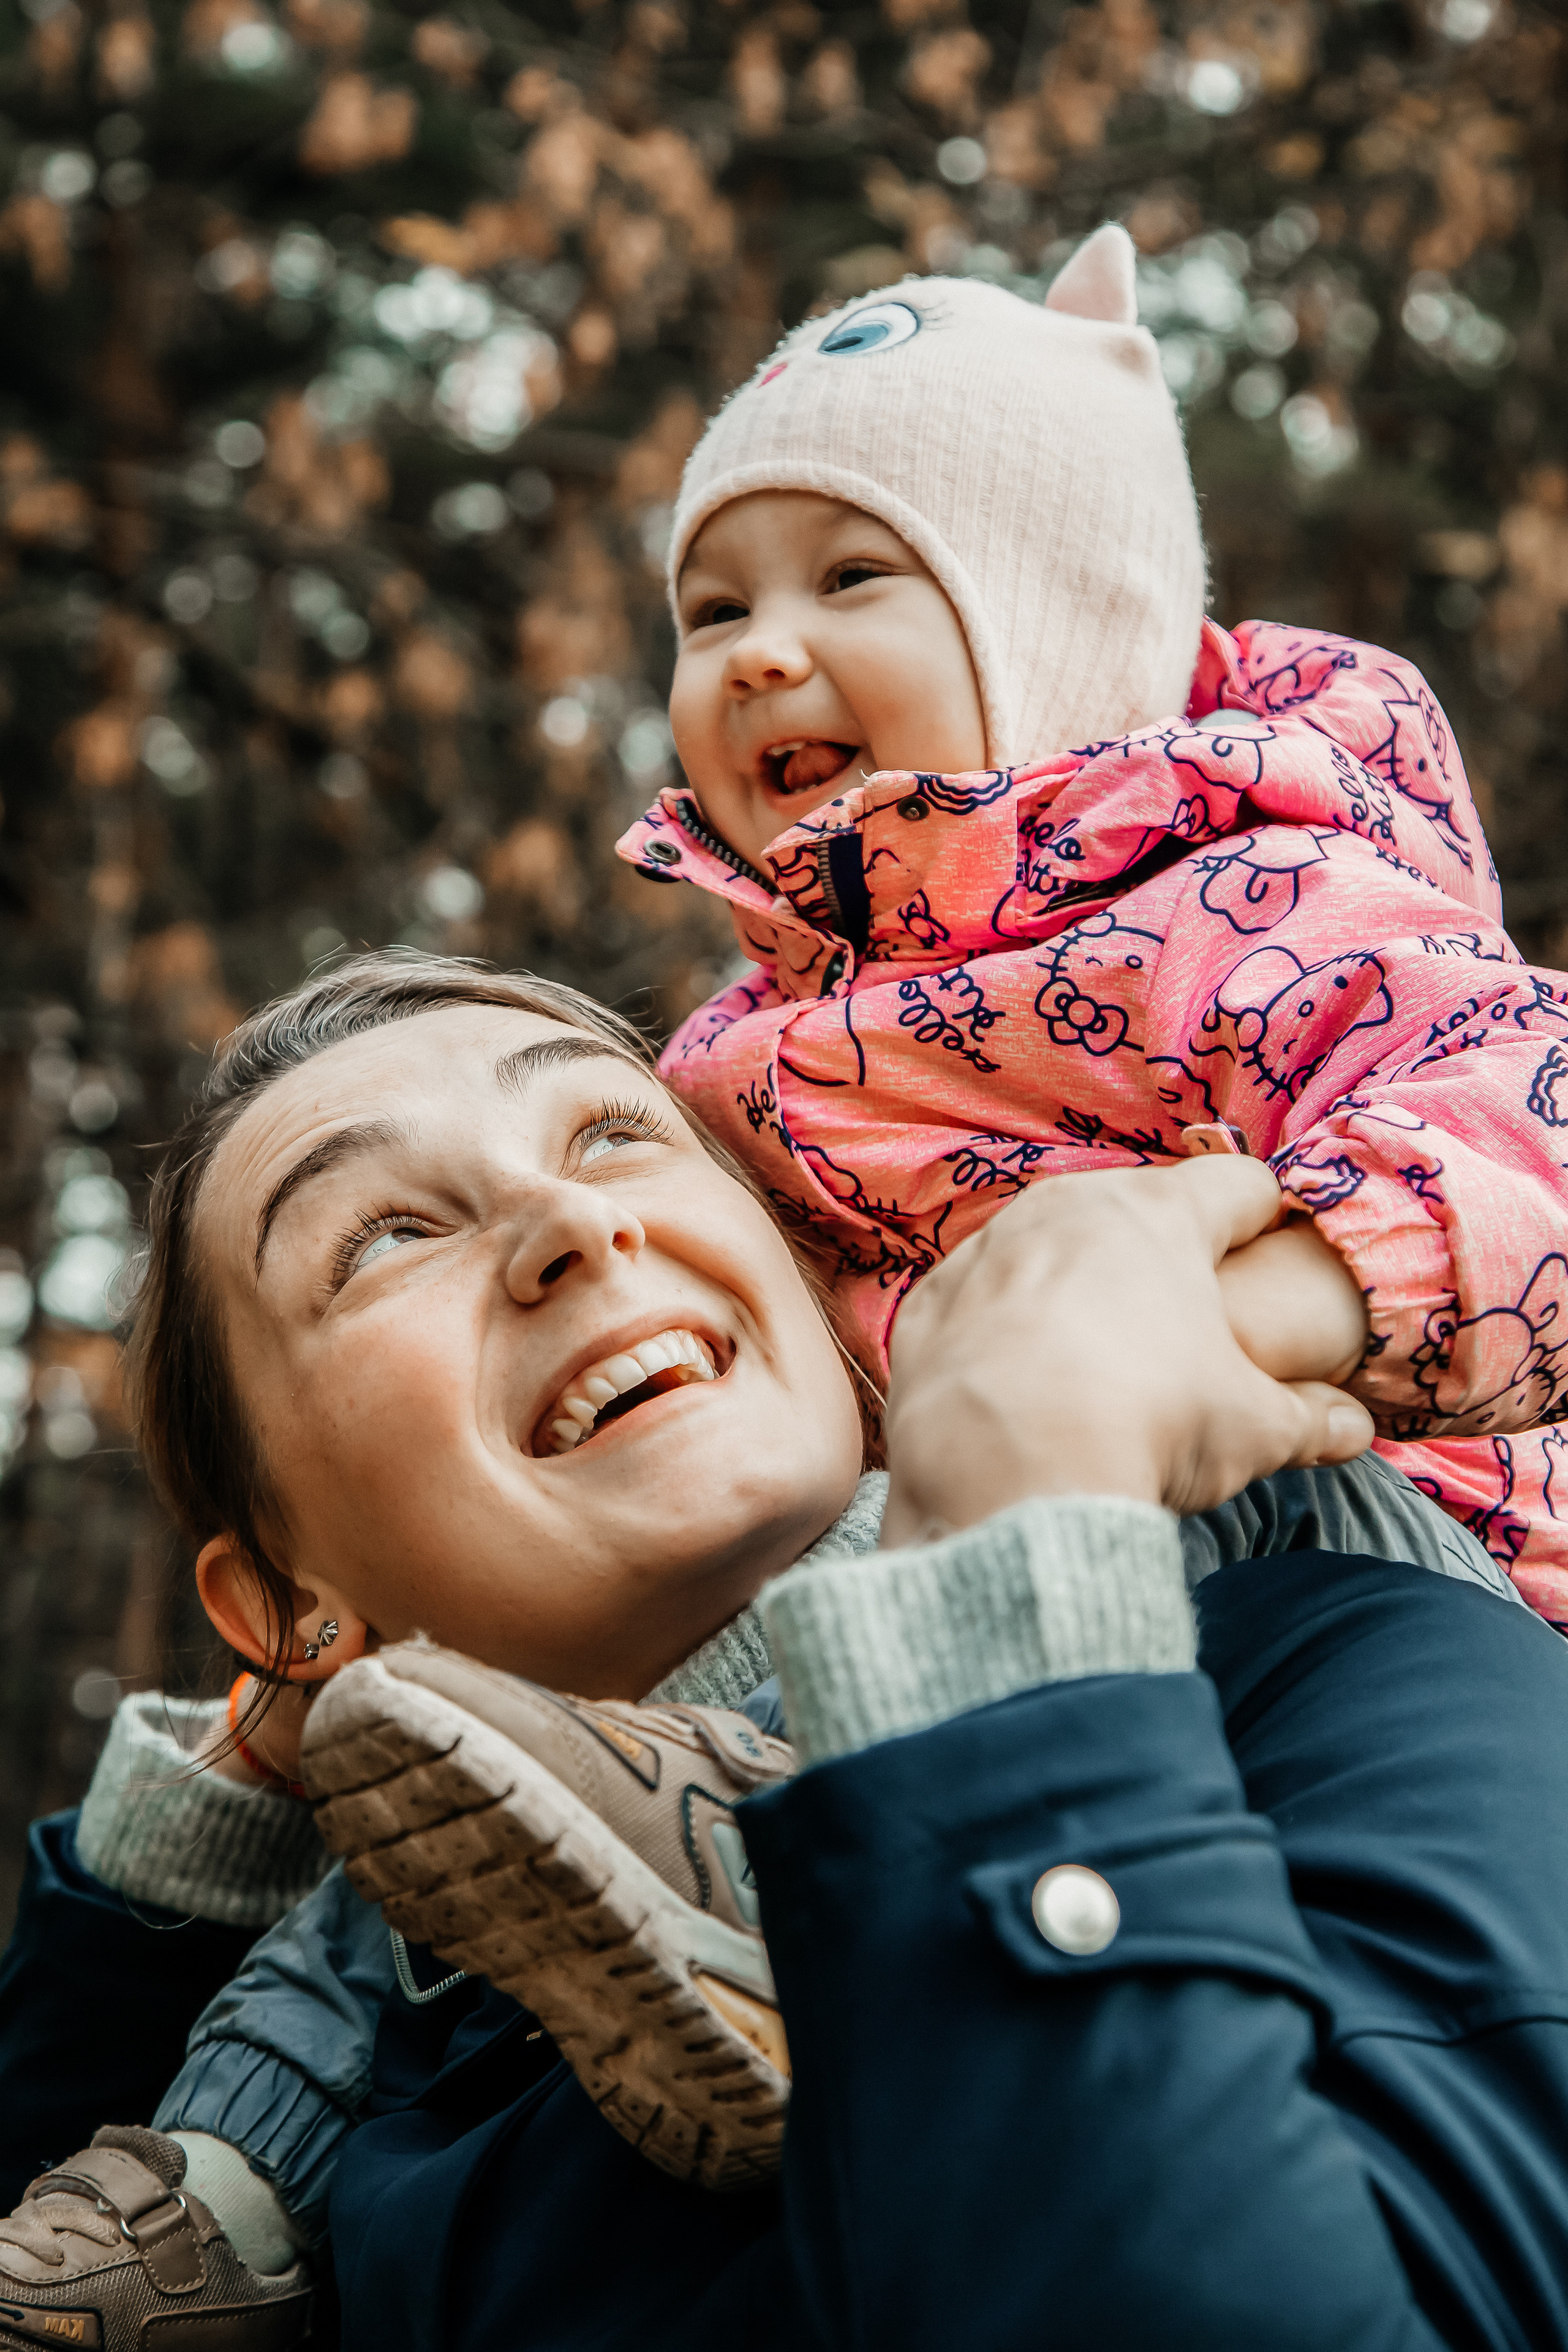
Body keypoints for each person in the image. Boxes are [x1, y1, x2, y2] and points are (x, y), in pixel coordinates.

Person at [0, 953, 1536, 2352]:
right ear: (285, 1599)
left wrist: (1010, 1570)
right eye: (387, 1235)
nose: (573, 1224)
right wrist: (224, 1817)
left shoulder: (1324, 1640)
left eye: (614, 1135)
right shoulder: (397, 2062)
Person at [616, 221, 1568, 1620]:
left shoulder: (1232, 903)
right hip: (987, 1571)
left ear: (1063, 628)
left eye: (852, 577)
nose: (758, 651)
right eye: (712, 609)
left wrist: (1230, 1317)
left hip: (1384, 1537)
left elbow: (1525, 1103)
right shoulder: (723, 1060)